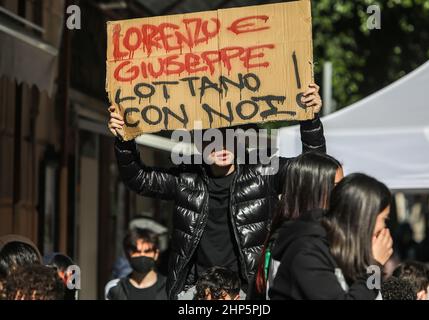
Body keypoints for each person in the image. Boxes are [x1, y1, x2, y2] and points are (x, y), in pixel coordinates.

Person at [109, 83, 325, 299]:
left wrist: (310, 119)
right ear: (199, 142)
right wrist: (123, 139)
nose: (220, 145)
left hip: (247, 291)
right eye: (210, 137)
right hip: (197, 292)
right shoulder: (186, 178)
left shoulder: (264, 170)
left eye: (229, 135)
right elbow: (139, 179)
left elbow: (314, 171)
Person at [269, 173, 393, 300]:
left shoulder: (346, 250)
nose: (384, 228)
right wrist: (375, 266)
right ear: (365, 219)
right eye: (384, 219)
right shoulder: (308, 252)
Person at [255, 152, 343, 298]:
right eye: (336, 187)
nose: (343, 193)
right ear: (313, 191)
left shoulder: (332, 233)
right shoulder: (291, 243)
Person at [106, 228, 167, 300]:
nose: (142, 255)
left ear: (156, 254)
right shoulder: (115, 288)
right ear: (127, 254)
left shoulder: (170, 288)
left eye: (147, 251)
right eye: (136, 251)